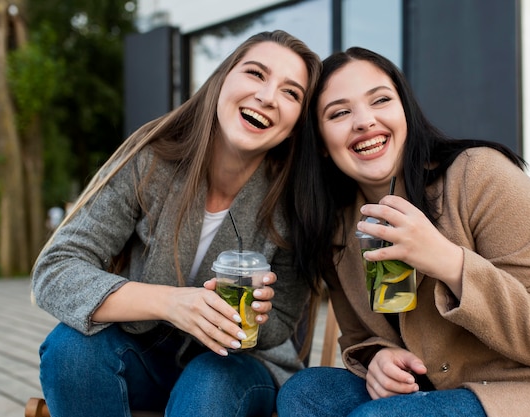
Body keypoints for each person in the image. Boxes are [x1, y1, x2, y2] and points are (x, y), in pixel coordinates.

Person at [278, 47, 530, 416]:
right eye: (340, 113)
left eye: (381, 100)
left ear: (405, 112)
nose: (364, 121)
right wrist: (379, 358)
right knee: (304, 394)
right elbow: (361, 336)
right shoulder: (338, 225)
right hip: (437, 386)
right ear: (322, 143)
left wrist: (448, 261)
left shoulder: (481, 176)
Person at [32, 30, 321, 417]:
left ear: (298, 121)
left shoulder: (296, 200)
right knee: (70, 350)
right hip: (144, 354)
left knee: (208, 382)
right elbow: (54, 270)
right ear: (222, 79)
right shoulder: (152, 160)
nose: (267, 97)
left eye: (291, 93)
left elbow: (281, 323)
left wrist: (256, 315)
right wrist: (170, 303)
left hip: (235, 369)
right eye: (255, 73)